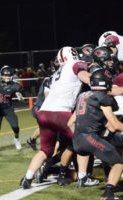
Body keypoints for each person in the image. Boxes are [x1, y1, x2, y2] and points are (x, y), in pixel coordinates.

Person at [19, 46, 94, 189]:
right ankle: (83, 178)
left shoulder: (57, 73)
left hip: (44, 113)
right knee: (83, 142)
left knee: (45, 150)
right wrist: (97, 82)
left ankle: (27, 179)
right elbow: (86, 76)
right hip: (60, 113)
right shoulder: (75, 64)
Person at [68, 69, 123, 200]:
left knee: (109, 149)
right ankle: (109, 194)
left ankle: (100, 183)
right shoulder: (102, 97)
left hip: (77, 140)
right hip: (89, 137)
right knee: (120, 162)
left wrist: (81, 138)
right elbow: (115, 124)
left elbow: (70, 122)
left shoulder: (83, 95)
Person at [0, 65, 24, 152]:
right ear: (1, 75)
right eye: (5, 75)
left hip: (8, 108)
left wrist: (20, 97)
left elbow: (22, 100)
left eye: (8, 75)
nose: (7, 77)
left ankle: (16, 139)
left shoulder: (15, 85)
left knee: (15, 126)